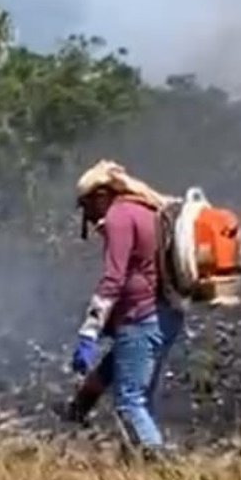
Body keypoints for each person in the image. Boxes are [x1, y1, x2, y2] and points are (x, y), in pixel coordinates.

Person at [71, 161, 186, 457]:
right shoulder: (147, 210)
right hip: (166, 314)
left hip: (140, 317)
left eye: (87, 205)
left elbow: (113, 278)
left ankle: (159, 466)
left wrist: (89, 333)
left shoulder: (119, 217)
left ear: (101, 195)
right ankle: (81, 412)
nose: (88, 216)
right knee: (140, 396)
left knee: (130, 401)